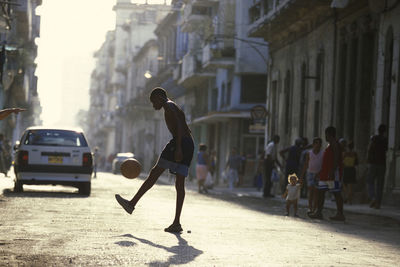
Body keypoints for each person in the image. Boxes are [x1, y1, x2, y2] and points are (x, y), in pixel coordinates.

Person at [115, 87, 194, 233]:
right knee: (179, 184)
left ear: (159, 97)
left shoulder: (169, 106)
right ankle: (176, 223)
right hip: (188, 143)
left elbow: (178, 125)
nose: (153, 106)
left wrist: (178, 148)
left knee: (154, 174)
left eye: (153, 102)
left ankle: (132, 204)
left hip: (180, 143)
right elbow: (184, 127)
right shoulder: (172, 105)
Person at [309, 126, 345, 221]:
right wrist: (320, 172)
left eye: (326, 134)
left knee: (336, 192)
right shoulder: (329, 145)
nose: (325, 136)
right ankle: (319, 212)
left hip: (332, 173)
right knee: (321, 192)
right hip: (325, 173)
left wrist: (333, 170)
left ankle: (340, 213)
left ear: (329, 134)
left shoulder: (335, 144)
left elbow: (337, 157)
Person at [367, 124, 388, 209]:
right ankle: (378, 203)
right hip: (382, 164)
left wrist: (368, 161)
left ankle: (373, 197)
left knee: (370, 181)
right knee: (380, 184)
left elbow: (370, 149)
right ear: (384, 131)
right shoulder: (385, 140)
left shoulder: (374, 138)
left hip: (373, 163)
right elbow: (386, 149)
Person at [300, 137, 323, 214]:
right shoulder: (309, 153)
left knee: (316, 192)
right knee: (310, 190)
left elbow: (323, 165)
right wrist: (302, 176)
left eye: (319, 143)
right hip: (310, 173)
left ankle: (314, 208)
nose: (317, 145)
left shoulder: (323, 153)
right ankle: (310, 207)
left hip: (318, 174)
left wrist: (320, 173)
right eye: (316, 143)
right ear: (313, 144)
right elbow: (306, 164)